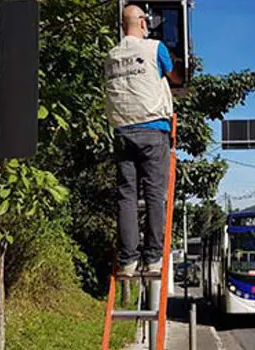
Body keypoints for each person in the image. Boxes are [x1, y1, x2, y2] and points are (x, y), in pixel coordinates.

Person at [104, 4, 182, 276]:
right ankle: (152, 258)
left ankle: (127, 260)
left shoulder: (111, 55)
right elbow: (173, 75)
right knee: (153, 195)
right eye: (146, 21)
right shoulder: (155, 48)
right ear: (140, 22)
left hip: (123, 132)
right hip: (152, 130)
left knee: (126, 196)